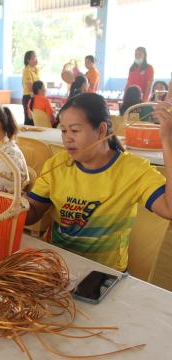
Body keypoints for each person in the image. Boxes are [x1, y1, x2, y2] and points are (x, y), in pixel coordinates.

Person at [26, 93, 172, 272]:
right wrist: (15, 199)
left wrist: (168, 141)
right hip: (58, 265)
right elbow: (32, 214)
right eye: (63, 131)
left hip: (104, 273)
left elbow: (169, 208)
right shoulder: (56, 164)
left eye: (75, 130)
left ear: (102, 130)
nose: (67, 138)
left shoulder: (133, 170)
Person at [22, 50, 40, 125]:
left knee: (35, 120)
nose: (35, 59)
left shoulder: (36, 69)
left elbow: (38, 83)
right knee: (29, 120)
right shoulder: (27, 70)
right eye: (33, 58)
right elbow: (30, 86)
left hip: (35, 96)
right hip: (28, 97)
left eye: (35, 57)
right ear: (28, 60)